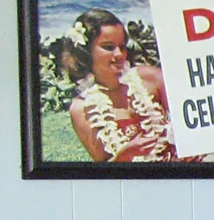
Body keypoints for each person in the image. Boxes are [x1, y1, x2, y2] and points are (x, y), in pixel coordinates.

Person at [61, 9, 176, 163]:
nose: (119, 54)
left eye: (122, 46)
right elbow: (105, 170)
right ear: (86, 52)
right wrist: (125, 154)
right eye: (108, 47)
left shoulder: (149, 77)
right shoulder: (82, 109)